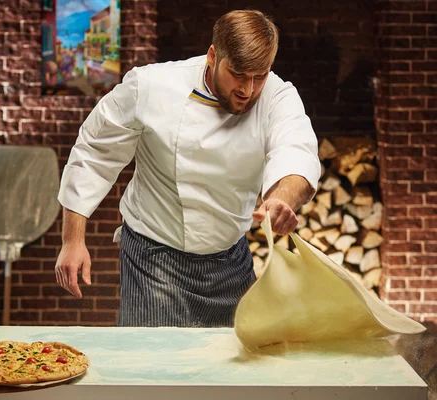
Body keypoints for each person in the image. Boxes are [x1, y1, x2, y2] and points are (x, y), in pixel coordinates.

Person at [54, 9, 321, 327]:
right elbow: (94, 153)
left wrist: (281, 199)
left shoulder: (278, 97)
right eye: (237, 73)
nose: (248, 90)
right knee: (153, 369)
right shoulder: (151, 86)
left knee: (233, 370)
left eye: (259, 76)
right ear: (212, 56)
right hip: (153, 259)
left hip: (230, 260)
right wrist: (72, 240)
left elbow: (296, 152)